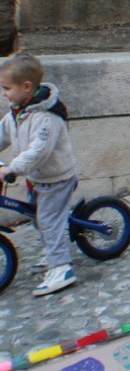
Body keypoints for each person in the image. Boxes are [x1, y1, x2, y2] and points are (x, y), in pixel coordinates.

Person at [0, 53, 79, 296]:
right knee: (37, 217)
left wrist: (11, 168)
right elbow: (2, 135)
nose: (4, 93)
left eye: (6, 88)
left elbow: (38, 152)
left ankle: (62, 268)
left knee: (48, 221)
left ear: (26, 87)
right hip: (37, 178)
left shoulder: (46, 118)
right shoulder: (17, 111)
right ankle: (54, 251)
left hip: (56, 179)